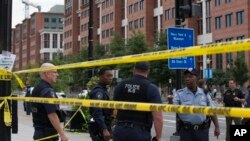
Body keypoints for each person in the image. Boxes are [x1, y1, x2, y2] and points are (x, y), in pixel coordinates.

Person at [113, 62, 163, 141]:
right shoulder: (152, 88)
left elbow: (113, 108)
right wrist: (158, 137)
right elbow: (158, 117)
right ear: (148, 71)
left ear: (134, 70)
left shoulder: (121, 85)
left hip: (121, 130)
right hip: (140, 132)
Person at [173, 68, 220, 141]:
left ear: (196, 78)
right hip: (186, 132)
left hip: (202, 132)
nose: (187, 79)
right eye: (186, 77)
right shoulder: (179, 94)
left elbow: (212, 111)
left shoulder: (204, 93)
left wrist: (217, 127)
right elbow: (173, 107)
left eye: (190, 76)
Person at [31, 63, 68, 141]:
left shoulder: (37, 88)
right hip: (47, 134)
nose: (57, 75)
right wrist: (62, 134)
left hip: (39, 132)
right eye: (55, 72)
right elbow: (52, 114)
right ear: (47, 74)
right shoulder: (47, 91)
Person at [88, 67, 114, 141]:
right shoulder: (98, 92)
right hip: (98, 127)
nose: (110, 78)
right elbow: (97, 111)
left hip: (103, 125)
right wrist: (104, 129)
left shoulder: (104, 90)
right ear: (101, 77)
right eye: (108, 76)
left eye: (111, 76)